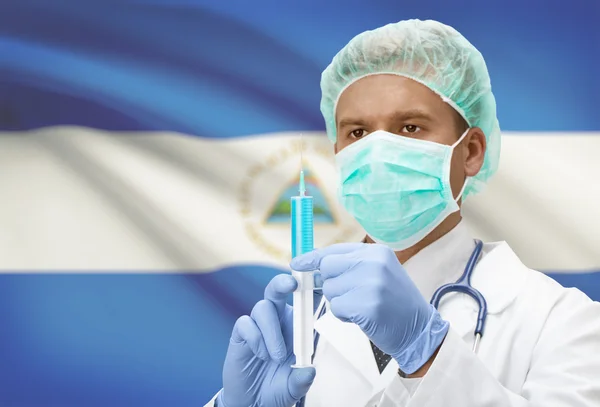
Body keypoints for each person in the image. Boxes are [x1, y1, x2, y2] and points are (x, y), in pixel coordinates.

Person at [205, 19, 600, 407]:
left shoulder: (563, 322)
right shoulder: (300, 325)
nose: (378, 151)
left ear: (472, 151)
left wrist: (427, 353)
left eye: (410, 127)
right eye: (357, 132)